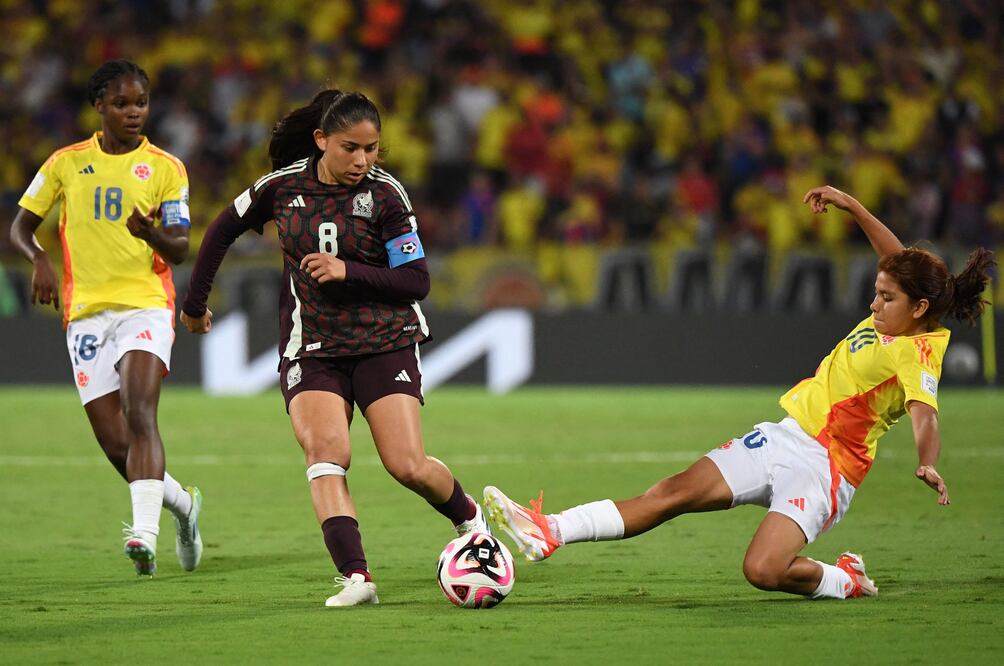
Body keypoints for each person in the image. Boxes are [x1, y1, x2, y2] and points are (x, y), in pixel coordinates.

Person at [485, 185, 996, 600]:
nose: (874, 302)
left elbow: (924, 412)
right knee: (671, 493)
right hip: (785, 436)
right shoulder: (901, 306)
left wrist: (927, 461)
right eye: (877, 291)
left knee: (762, 570)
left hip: (827, 468)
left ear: (920, 308)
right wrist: (853, 205)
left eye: (886, 297)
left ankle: (843, 580)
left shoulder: (918, 353)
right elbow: (894, 256)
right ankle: (549, 529)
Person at [181, 89, 491, 607]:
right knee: (327, 453)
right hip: (313, 346)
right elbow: (219, 231)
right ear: (322, 140)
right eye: (351, 148)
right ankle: (356, 578)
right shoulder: (281, 187)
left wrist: (350, 270)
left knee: (406, 465)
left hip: (384, 342)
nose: (363, 161)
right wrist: (194, 304)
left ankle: (472, 522)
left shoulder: (387, 195)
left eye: (372, 149)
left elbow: (416, 281)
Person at [9, 59, 203, 577]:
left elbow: (181, 248)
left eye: (140, 102)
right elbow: (21, 228)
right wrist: (40, 259)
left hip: (145, 304)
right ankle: (184, 507)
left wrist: (151, 235)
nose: (134, 112)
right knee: (116, 444)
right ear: (99, 106)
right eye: (122, 103)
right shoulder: (66, 163)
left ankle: (144, 536)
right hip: (85, 314)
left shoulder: (166, 168)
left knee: (141, 415)